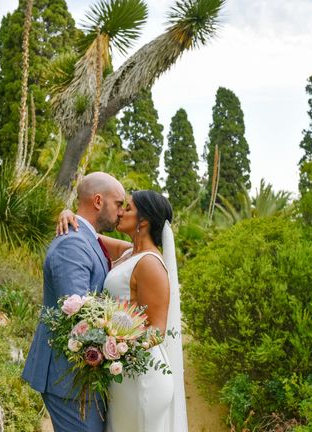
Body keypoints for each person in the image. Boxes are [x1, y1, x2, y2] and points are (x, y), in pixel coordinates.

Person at [57, 189, 188, 432]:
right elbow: (88, 232)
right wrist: (67, 213)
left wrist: (117, 346)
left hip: (143, 377)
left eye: (127, 208)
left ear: (144, 221)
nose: (120, 213)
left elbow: (158, 330)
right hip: (123, 374)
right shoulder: (129, 252)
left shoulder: (150, 263)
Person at [22, 172, 126, 432]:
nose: (122, 212)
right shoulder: (73, 245)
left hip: (80, 377)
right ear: (99, 201)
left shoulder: (87, 238)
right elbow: (79, 319)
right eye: (119, 204)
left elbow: (137, 249)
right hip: (66, 378)